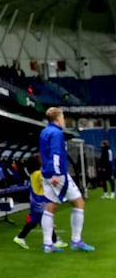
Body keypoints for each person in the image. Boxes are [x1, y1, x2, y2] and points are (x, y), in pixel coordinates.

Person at [39, 107, 95, 253]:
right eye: (63, 116)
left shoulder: (44, 132)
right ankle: (76, 241)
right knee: (79, 202)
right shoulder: (57, 133)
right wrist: (57, 173)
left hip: (46, 173)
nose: (64, 119)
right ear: (58, 118)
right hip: (58, 174)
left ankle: (47, 244)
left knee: (50, 207)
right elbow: (55, 153)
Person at [13, 153, 67, 250]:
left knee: (33, 221)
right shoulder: (38, 174)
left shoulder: (34, 173)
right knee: (46, 219)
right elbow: (49, 181)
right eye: (41, 159)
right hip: (40, 201)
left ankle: (20, 237)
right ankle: (54, 241)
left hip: (35, 200)